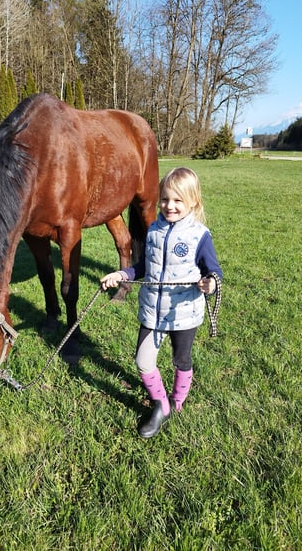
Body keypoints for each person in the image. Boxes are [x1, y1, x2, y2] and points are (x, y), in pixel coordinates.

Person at [100, 167, 223, 438]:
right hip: (152, 311)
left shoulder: (200, 236)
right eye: (166, 199)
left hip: (183, 314)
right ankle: (161, 405)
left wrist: (210, 283)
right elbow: (143, 265)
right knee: (143, 361)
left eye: (178, 200)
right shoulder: (154, 230)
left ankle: (177, 402)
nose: (170, 206)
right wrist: (121, 274)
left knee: (181, 360)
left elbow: (214, 270)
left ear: (193, 201)